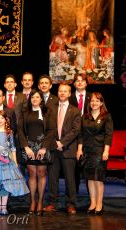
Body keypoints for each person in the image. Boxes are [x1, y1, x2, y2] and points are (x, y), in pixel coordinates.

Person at [0, 110, 29, 215]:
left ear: (5, 120)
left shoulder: (9, 132)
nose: (0, 120)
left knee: (6, 184)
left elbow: (12, 148)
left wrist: (15, 162)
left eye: (2, 118)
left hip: (7, 162)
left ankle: (4, 207)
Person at [44, 84, 81, 215]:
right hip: (53, 148)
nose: (62, 93)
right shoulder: (50, 109)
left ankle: (71, 204)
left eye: (65, 91)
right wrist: (55, 143)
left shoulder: (75, 110)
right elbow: (47, 128)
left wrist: (62, 143)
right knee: (52, 178)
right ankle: (52, 203)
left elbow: (75, 130)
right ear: (58, 93)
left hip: (68, 149)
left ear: (70, 94)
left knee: (70, 178)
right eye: (60, 91)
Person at [17, 90, 56, 215]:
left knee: (42, 173)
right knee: (32, 174)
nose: (34, 99)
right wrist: (25, 147)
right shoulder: (25, 112)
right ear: (30, 99)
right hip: (29, 147)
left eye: (37, 97)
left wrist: (44, 147)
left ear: (41, 99)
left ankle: (40, 202)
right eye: (32, 97)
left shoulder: (47, 112)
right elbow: (20, 130)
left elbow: (51, 130)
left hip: (43, 146)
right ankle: (32, 202)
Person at [77, 92, 113, 215]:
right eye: (92, 101)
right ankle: (92, 203)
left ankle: (99, 203)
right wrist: (79, 149)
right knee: (90, 179)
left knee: (98, 179)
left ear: (101, 103)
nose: (94, 103)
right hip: (87, 151)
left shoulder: (106, 116)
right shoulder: (85, 116)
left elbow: (109, 135)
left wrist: (106, 150)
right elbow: (81, 134)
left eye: (97, 101)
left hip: (99, 150)